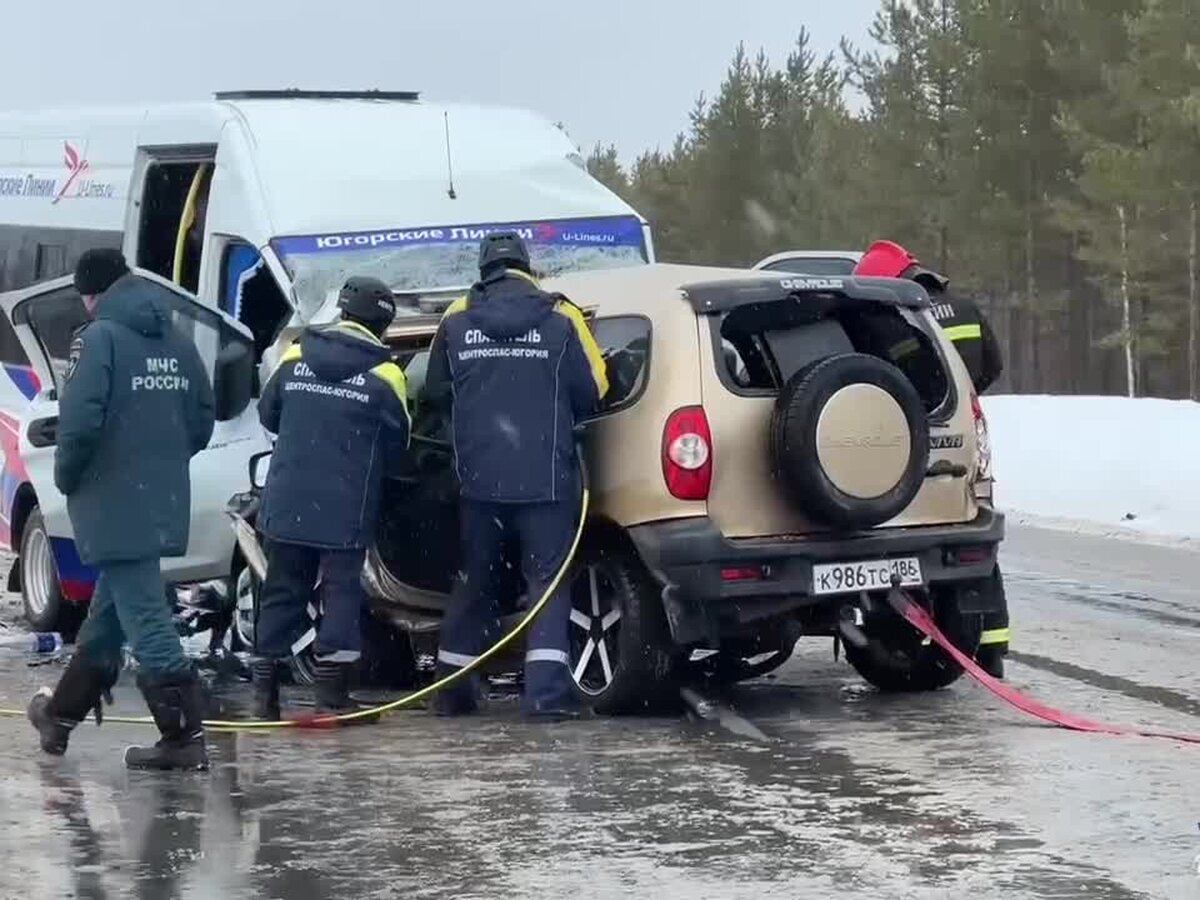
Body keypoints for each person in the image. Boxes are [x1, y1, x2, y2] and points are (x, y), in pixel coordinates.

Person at [27, 249, 216, 770]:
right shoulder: (176, 340)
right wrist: (159, 457)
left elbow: (80, 421)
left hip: (112, 498)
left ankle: (183, 738)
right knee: (111, 615)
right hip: (163, 496)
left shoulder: (98, 338)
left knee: (147, 617)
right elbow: (202, 418)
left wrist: (67, 475)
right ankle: (59, 717)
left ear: (93, 295)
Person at [421, 232, 609, 720]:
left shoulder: (456, 319)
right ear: (528, 267)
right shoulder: (561, 317)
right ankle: (544, 697)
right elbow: (596, 388)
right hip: (546, 480)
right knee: (546, 583)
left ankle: (454, 692)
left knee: (475, 582)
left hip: (479, 480)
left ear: (484, 269)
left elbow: (434, 389)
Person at [252, 276, 410, 720]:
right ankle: (332, 696)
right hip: (345, 505)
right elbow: (400, 443)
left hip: (287, 498)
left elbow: (269, 413)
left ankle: (264, 697)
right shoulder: (385, 374)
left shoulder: (297, 353)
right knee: (340, 596)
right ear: (382, 323)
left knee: (281, 591)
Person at [852, 239, 1009, 677]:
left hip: (900, 439)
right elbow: (992, 366)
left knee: (898, 536)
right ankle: (992, 647)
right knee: (972, 537)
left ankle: (896, 629)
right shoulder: (963, 307)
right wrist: (962, 398)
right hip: (960, 435)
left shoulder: (888, 318)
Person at [852, 239, 1004, 395]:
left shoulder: (896, 320)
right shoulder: (965, 306)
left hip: (914, 414)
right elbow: (993, 366)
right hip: (963, 412)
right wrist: (965, 397)